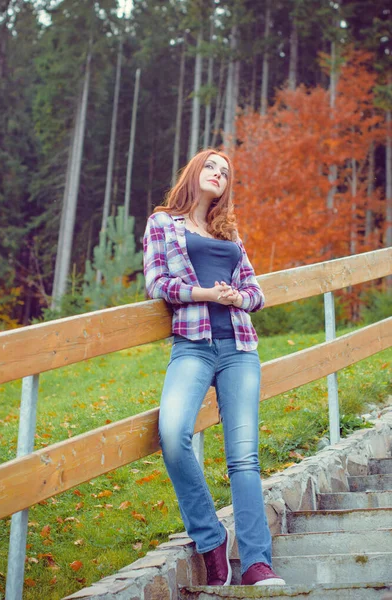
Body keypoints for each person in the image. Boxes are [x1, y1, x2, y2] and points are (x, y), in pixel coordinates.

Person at [142, 148, 286, 587]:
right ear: (194, 171)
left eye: (225, 172)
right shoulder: (163, 222)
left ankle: (258, 563)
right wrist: (207, 294)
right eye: (211, 166)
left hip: (240, 348)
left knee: (244, 458)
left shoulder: (229, 232)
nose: (218, 174)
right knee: (173, 433)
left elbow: (256, 291)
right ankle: (210, 539)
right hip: (193, 345)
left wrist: (236, 298)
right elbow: (157, 283)